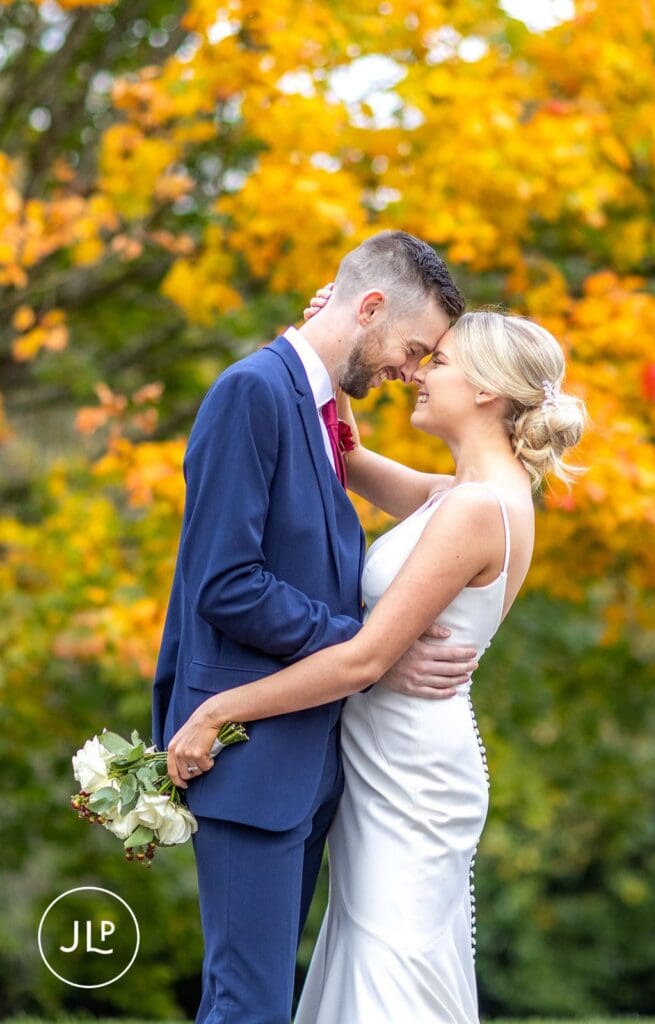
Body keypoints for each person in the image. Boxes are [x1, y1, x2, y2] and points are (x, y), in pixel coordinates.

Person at [167, 306, 587, 1023]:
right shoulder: (458, 495)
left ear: (486, 390)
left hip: (408, 774)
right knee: (367, 962)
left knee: (387, 977)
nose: (418, 374)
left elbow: (362, 660)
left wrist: (217, 710)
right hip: (387, 759)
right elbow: (346, 453)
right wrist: (337, 332)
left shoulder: (474, 510)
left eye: (438, 363)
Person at [152, 231, 476, 1024]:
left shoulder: (320, 409)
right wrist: (368, 652)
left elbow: (449, 498)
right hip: (248, 756)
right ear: (369, 308)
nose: (410, 371)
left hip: (304, 759)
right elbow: (226, 585)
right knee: (249, 1007)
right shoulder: (252, 392)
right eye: (412, 349)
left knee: (254, 1004)